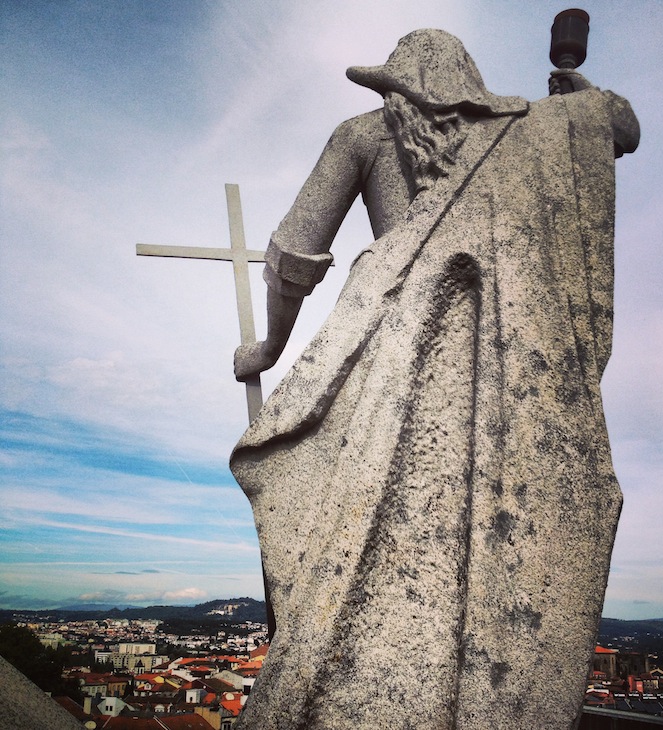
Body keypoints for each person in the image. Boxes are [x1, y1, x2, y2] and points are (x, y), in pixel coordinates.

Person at [231, 29, 639, 730]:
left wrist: (269, 347)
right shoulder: (534, 128)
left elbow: (295, 253)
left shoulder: (362, 134)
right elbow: (623, 126)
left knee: (347, 521)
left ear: (393, 85)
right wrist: (582, 99)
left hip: (385, 354)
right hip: (510, 372)